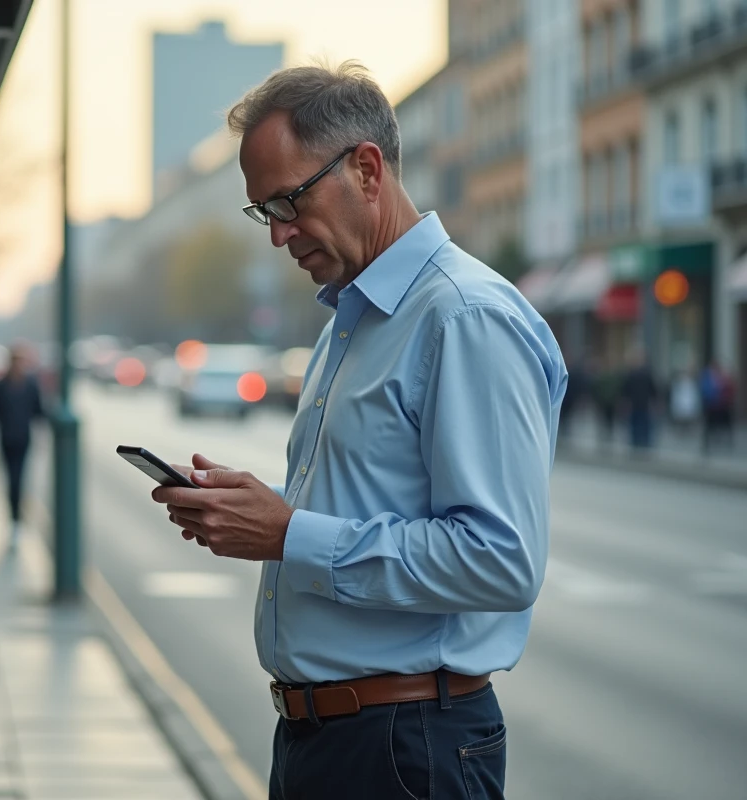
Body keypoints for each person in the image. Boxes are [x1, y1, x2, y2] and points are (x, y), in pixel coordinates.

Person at [150, 62, 567, 800]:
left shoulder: (464, 316)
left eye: (289, 201)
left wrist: (289, 534)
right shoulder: (355, 317)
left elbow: (501, 560)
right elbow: (372, 502)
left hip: (406, 748)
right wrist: (254, 511)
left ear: (367, 171)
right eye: (263, 212)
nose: (279, 235)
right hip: (334, 740)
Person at [0, 345, 44, 546]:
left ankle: (17, 518)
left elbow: (38, 412)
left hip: (23, 440)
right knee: (11, 480)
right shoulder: (0, 387)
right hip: (6, 440)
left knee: (19, 479)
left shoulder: (30, 386)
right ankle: (14, 518)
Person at [621, 348, 657, 451]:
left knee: (642, 424)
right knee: (637, 425)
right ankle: (638, 444)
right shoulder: (633, 374)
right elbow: (626, 390)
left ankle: (642, 444)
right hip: (636, 404)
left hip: (642, 404)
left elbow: (653, 389)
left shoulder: (644, 373)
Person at [700, 360, 736, 452]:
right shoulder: (708, 377)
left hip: (721, 405)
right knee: (709, 425)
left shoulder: (722, 378)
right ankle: (706, 444)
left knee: (725, 423)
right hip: (711, 405)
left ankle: (726, 439)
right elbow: (706, 390)